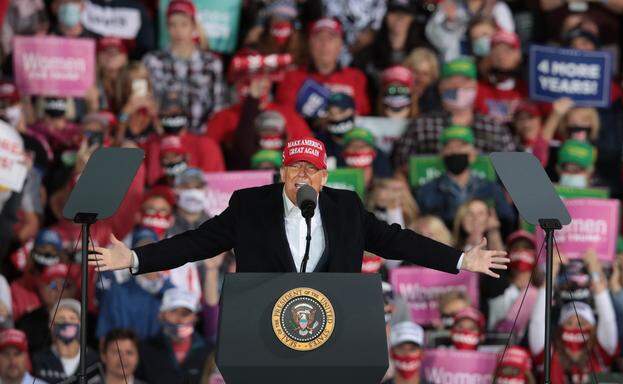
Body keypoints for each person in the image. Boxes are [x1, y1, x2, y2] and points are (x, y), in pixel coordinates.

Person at [90, 137, 509, 280]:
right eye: (295, 168)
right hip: (264, 337)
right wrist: (133, 257)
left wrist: (459, 259)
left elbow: (397, 241)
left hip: (332, 338)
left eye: (312, 169)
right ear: (282, 172)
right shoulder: (249, 205)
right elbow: (198, 242)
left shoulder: (346, 208)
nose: (303, 175)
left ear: (324, 178)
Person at [393, 57, 517, 171]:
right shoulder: (421, 125)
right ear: (441, 87)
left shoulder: (495, 128)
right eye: (451, 80)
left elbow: (515, 171)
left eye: (465, 81)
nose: (458, 86)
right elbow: (399, 166)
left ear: (475, 87)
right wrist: (438, 162)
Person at [528, 250, 618, 383]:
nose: (576, 328)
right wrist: (551, 273)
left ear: (594, 328)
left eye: (581, 323)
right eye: (569, 323)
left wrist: (594, 272)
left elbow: (608, 320)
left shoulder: (601, 352)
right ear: (559, 327)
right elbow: (537, 322)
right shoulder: (549, 354)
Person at [143, 0, 227, 134]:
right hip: (163, 135)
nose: (178, 31)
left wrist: (206, 134)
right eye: (173, 25)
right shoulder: (153, 61)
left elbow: (218, 105)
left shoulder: (211, 63)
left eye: (184, 24)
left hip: (201, 135)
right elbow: (147, 101)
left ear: (193, 26)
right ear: (167, 27)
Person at [415, 126, 515, 228]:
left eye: (461, 146)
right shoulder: (426, 191)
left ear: (473, 154)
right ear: (441, 154)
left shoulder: (491, 189)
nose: (455, 152)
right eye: (449, 147)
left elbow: (508, 222)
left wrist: (493, 227)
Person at [275, 18, 371, 116]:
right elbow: (286, 114)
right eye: (319, 38)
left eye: (331, 38)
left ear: (340, 45)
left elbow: (362, 114)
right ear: (310, 44)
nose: (324, 44)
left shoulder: (356, 77)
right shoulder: (291, 77)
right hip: (304, 130)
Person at [136, 288, 213, 384]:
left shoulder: (210, 351)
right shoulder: (144, 350)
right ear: (161, 315)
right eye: (173, 312)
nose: (179, 320)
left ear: (195, 318)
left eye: (185, 313)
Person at [33, 299, 100, 383]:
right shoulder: (39, 360)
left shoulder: (95, 360)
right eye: (61, 319)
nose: (67, 322)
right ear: (51, 325)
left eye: (72, 319)